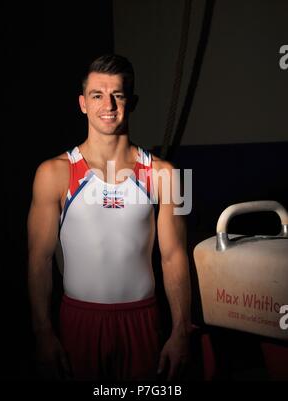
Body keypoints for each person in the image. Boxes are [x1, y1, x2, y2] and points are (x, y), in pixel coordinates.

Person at [27, 54, 192, 381]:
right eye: (97, 95)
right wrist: (43, 333)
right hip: (79, 322)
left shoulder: (168, 175)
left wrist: (181, 332)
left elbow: (174, 257)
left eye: (118, 95)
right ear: (82, 103)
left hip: (143, 320)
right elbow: (39, 260)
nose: (109, 105)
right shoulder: (52, 173)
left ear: (132, 102)